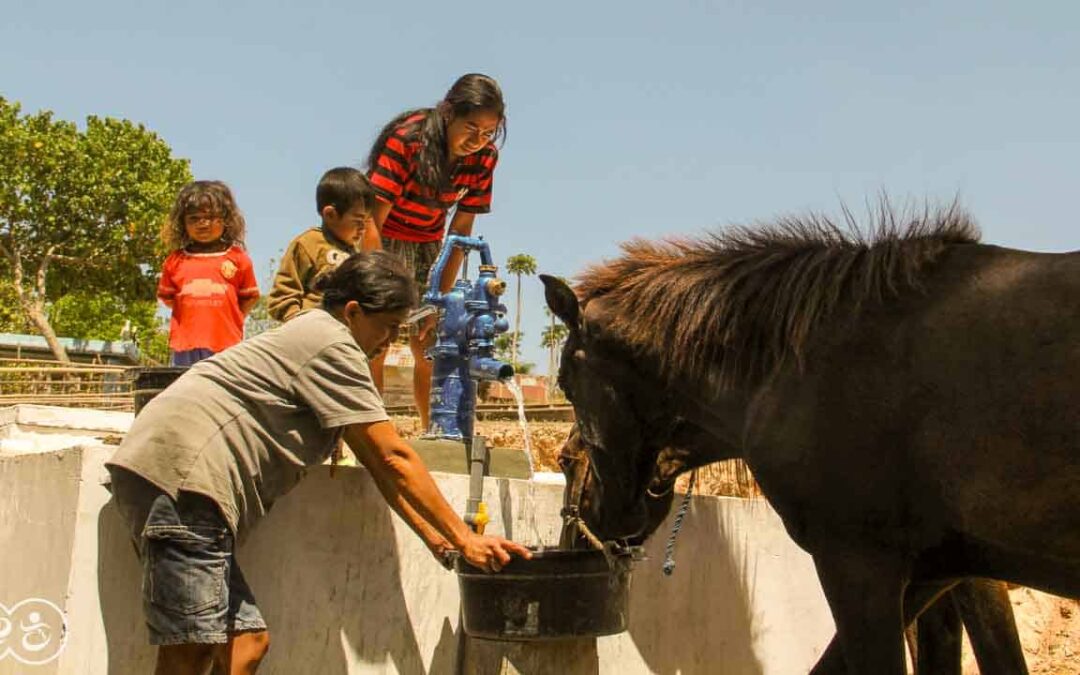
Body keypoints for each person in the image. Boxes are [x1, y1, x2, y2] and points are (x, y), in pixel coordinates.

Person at [106, 251, 530, 674]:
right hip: (183, 479)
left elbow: (380, 466)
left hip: (182, 480)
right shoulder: (332, 343)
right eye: (387, 327)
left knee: (246, 646)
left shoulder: (321, 339)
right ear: (352, 311)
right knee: (191, 648)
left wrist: (438, 539)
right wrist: (465, 538)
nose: (389, 341)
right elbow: (395, 456)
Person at [364, 73, 505, 430]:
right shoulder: (408, 140)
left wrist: (439, 297)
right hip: (382, 240)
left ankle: (434, 432)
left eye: (488, 132)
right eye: (471, 128)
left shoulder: (484, 158)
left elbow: (460, 231)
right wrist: (381, 282)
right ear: (448, 114)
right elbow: (370, 221)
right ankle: (369, 432)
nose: (478, 140)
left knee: (431, 344)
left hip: (430, 244)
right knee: (375, 343)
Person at [158, 180, 260, 366]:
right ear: (182, 223)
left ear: (226, 219)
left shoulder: (238, 258)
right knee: (187, 390)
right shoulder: (175, 260)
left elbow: (250, 297)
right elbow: (168, 298)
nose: (202, 224)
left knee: (221, 391)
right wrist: (193, 311)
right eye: (194, 218)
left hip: (226, 344)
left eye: (210, 217)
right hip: (185, 344)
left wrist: (230, 317)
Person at [266, 167, 373, 322]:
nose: (363, 228)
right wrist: (298, 325)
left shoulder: (356, 255)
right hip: (312, 333)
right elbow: (282, 296)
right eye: (358, 220)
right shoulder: (308, 244)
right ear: (330, 214)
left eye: (366, 221)